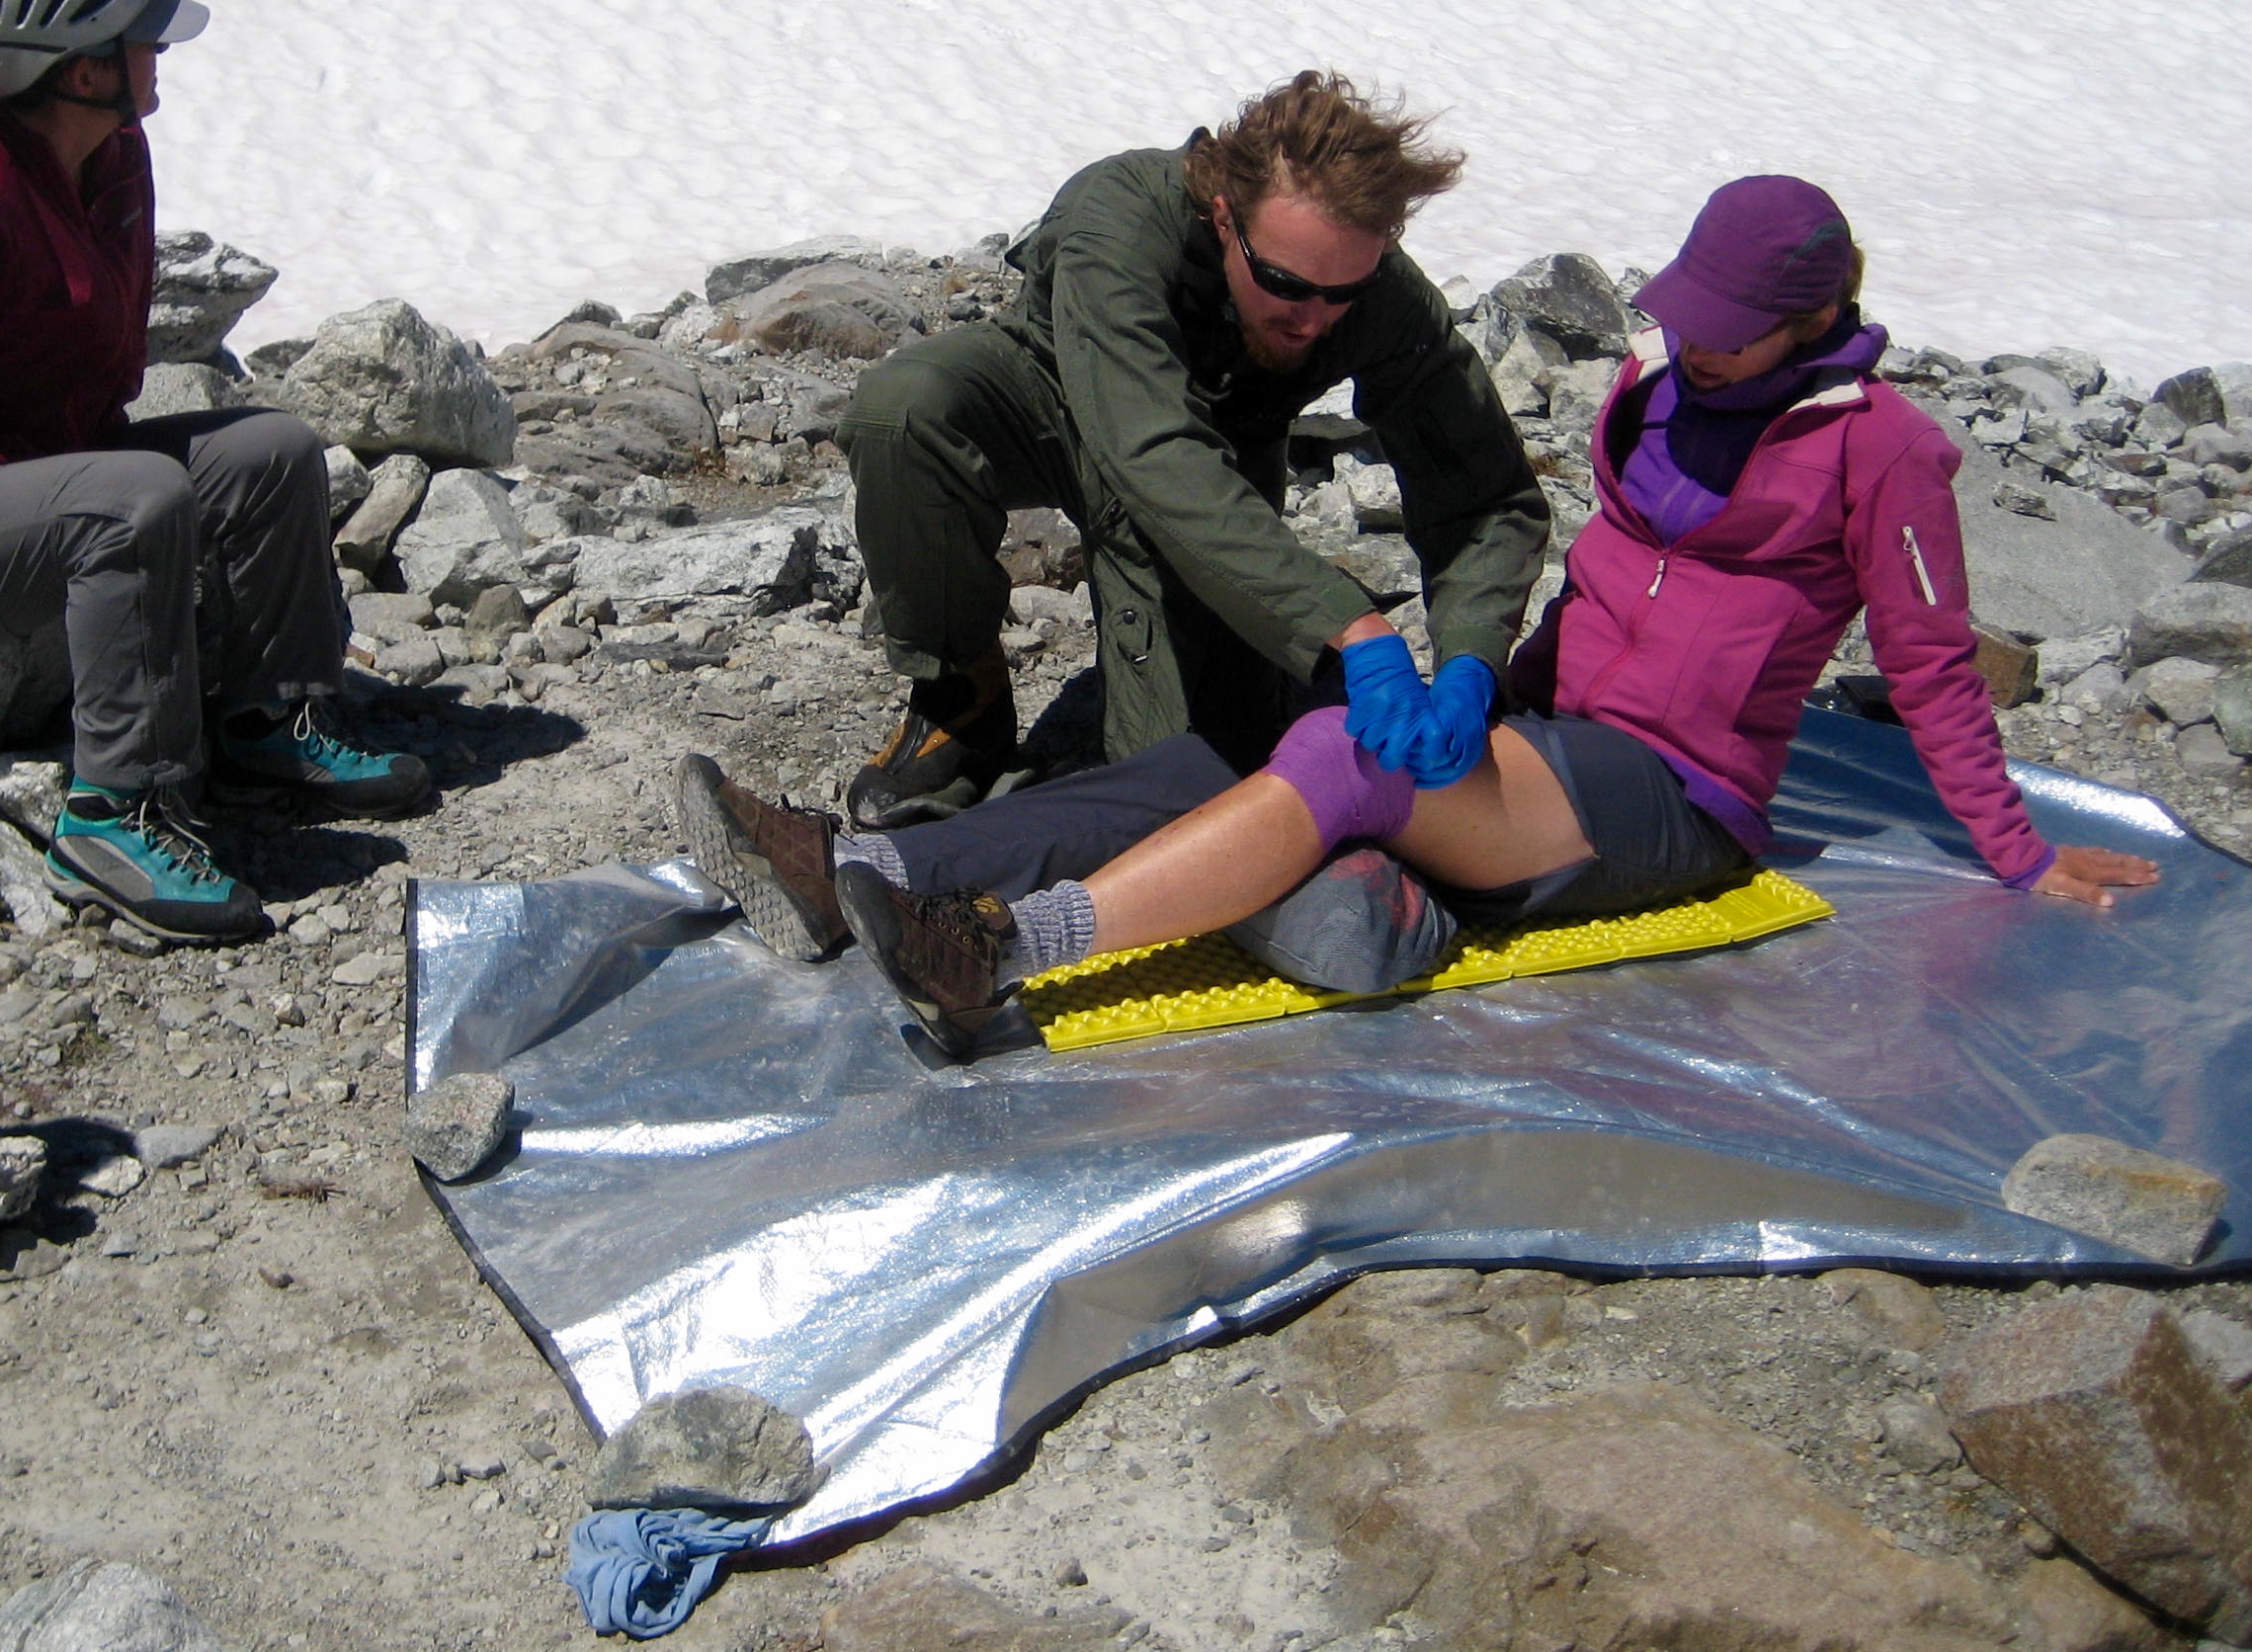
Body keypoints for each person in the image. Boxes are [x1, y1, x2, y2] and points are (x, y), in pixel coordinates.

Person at [684, 175, 2159, 1054]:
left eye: (1727, 327)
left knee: (1339, 762)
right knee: (1230, 757)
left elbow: (1932, 667)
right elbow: (1603, 591)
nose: (1690, 343)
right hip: (1557, 740)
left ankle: (997, 952)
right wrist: (1489, 682)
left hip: (1679, 799)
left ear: (1810, 316)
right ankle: (862, 864)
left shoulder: (1880, 443)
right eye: (1684, 315)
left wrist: (2019, 854)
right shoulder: (1661, 396)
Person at [0, 0, 429, 946]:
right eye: (137, 37)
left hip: (33, 475)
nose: (157, 54)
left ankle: (269, 719)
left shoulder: (110, 163)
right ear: (78, 67)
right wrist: (113, 504)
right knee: (135, 500)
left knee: (268, 449)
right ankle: (114, 816)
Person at [834, 70, 1549, 829]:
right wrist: (1349, 625)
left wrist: (1472, 658)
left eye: (1343, 293)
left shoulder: (1374, 293)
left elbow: (1488, 495)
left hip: (1216, 461)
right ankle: (961, 706)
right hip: (1062, 400)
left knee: (1187, 775)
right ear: (1222, 216)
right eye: (1284, 282)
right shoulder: (1121, 218)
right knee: (905, 413)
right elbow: (1155, 456)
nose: (1314, 318)